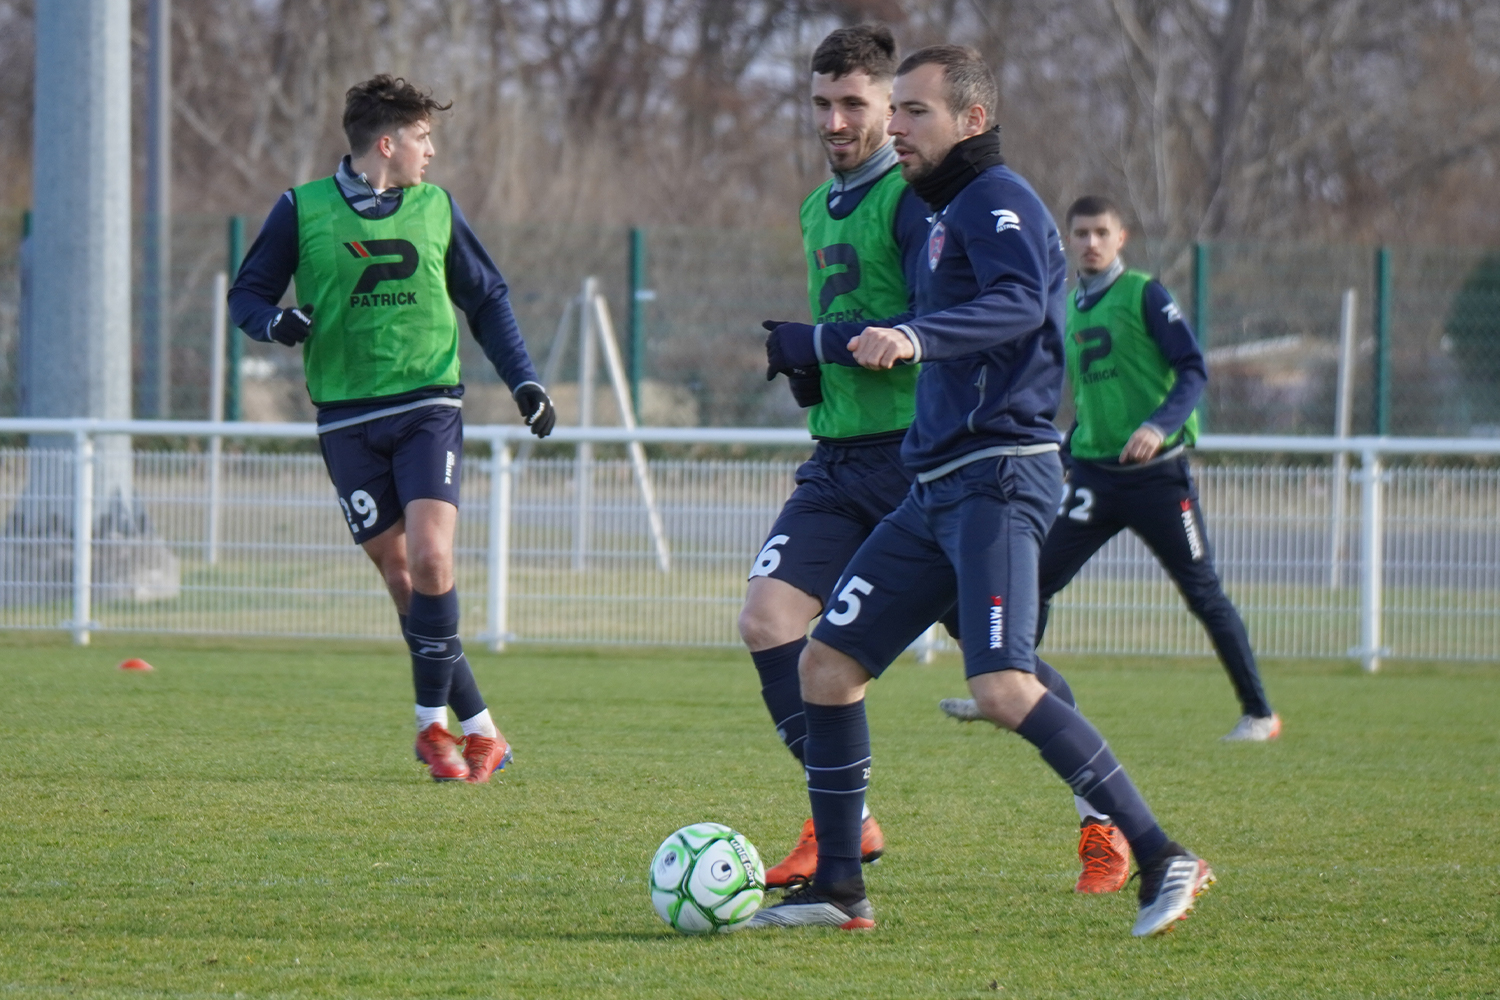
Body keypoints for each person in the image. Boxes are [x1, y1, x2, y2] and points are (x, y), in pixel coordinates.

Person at [747, 46, 1213, 937]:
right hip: (936, 482)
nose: (897, 127)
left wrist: (914, 336)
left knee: (1002, 687)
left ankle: (1162, 853)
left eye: (913, 111)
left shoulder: (997, 200)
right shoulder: (942, 209)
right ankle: (841, 887)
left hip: (1002, 475)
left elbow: (1018, 307)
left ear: (971, 121)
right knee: (827, 664)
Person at [744, 25, 1079, 889]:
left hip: (917, 459)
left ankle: (1105, 816)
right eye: (821, 102)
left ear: (894, 110)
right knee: (769, 621)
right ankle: (842, 824)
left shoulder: (919, 199)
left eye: (854, 103)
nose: (834, 119)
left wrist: (817, 341)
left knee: (1007, 671)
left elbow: (935, 321)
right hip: (836, 460)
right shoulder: (822, 206)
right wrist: (813, 374)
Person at [939, 195, 1282, 885]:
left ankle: (1259, 711)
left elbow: (1192, 370)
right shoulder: (1070, 303)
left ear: (1122, 235)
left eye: (1102, 232)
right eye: (1081, 233)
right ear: (1066, 240)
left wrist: (1160, 423)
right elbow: (1085, 398)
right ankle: (1007, 684)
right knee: (1025, 583)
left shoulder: (1145, 295)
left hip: (1157, 477)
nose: (1091, 243)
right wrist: (1062, 449)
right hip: (1092, 474)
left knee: (1202, 591)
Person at [228, 75, 555, 784]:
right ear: (388, 142)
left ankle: (429, 727)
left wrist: (523, 379)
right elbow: (247, 295)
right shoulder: (301, 210)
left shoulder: (436, 208)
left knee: (435, 562)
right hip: (346, 422)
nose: (431, 151)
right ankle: (482, 732)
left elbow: (487, 298)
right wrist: (275, 323)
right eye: (422, 136)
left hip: (427, 410)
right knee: (406, 581)